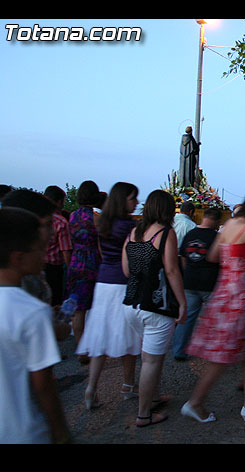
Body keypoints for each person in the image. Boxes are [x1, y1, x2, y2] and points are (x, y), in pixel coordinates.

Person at [183, 186, 245, 423]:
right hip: (239, 295)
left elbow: (213, 256)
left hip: (226, 292)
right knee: (222, 355)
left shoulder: (230, 225)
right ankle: (195, 403)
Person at [0, 207, 71, 444]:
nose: (45, 255)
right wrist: (61, 434)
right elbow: (44, 386)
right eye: (40, 249)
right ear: (18, 258)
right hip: (24, 431)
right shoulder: (32, 312)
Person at [122, 190, 187, 428]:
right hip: (156, 305)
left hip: (131, 303)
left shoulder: (133, 233)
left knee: (149, 357)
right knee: (151, 361)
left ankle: (153, 397)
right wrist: (182, 302)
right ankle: (144, 414)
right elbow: (171, 271)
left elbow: (127, 271)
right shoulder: (165, 233)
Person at [76, 182, 142, 410]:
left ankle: (91, 388)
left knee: (100, 338)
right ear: (123, 200)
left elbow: (103, 253)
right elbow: (133, 259)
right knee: (130, 337)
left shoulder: (102, 222)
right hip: (122, 283)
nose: (136, 203)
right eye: (133, 198)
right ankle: (128, 384)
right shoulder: (129, 226)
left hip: (103, 281)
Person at [172, 207, 221, 361]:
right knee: (214, 318)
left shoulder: (190, 233)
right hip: (210, 282)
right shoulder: (216, 236)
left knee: (187, 318)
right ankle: (212, 350)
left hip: (190, 281)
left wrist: (188, 271)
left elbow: (183, 257)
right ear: (217, 220)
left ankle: (179, 351)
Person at [66, 180, 103, 364]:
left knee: (77, 310)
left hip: (75, 261)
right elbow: (100, 245)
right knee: (94, 307)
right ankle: (92, 345)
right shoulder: (96, 218)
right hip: (92, 262)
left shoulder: (72, 216)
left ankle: (81, 348)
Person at [42, 185, 73, 307]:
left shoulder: (36, 217)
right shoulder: (60, 222)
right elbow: (66, 250)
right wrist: (70, 272)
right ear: (59, 202)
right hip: (54, 270)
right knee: (54, 303)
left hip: (37, 266)